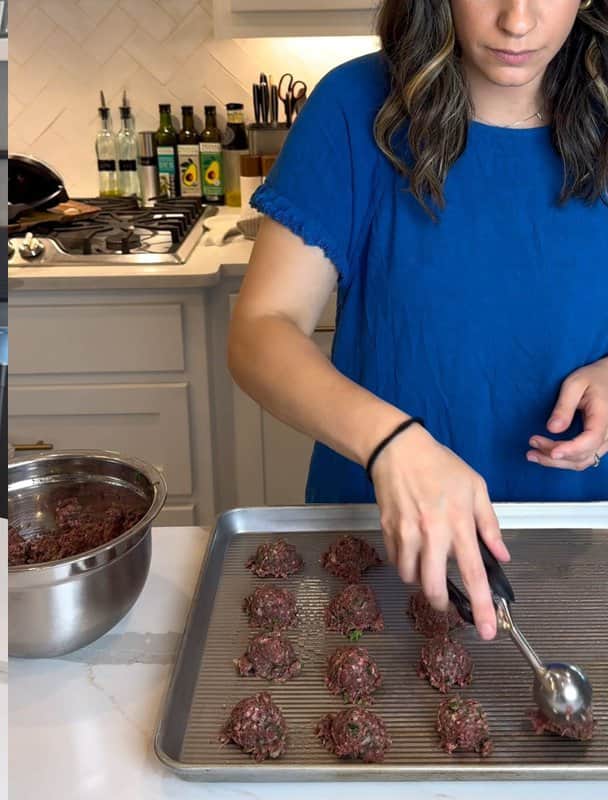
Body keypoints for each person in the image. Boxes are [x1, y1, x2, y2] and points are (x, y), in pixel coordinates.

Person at [228, 0, 607, 640]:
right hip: (383, 542)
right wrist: (390, 442)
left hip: (578, 538)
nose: (517, 20)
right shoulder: (354, 107)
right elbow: (262, 327)